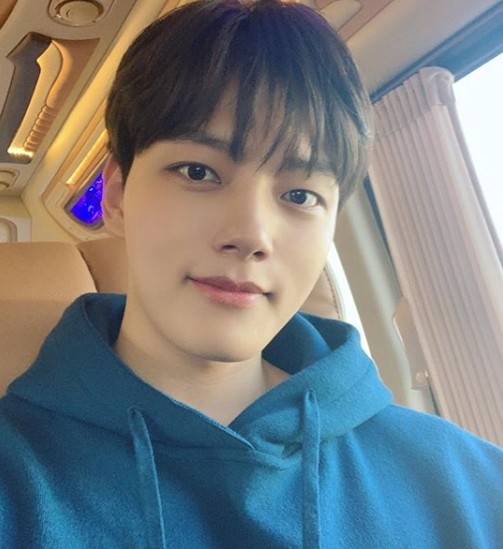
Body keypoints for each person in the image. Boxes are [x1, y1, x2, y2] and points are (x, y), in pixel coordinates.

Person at [1, 0, 502, 546]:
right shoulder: (18, 474)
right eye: (198, 172)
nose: (251, 234)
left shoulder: (471, 486)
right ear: (118, 193)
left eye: (300, 195)